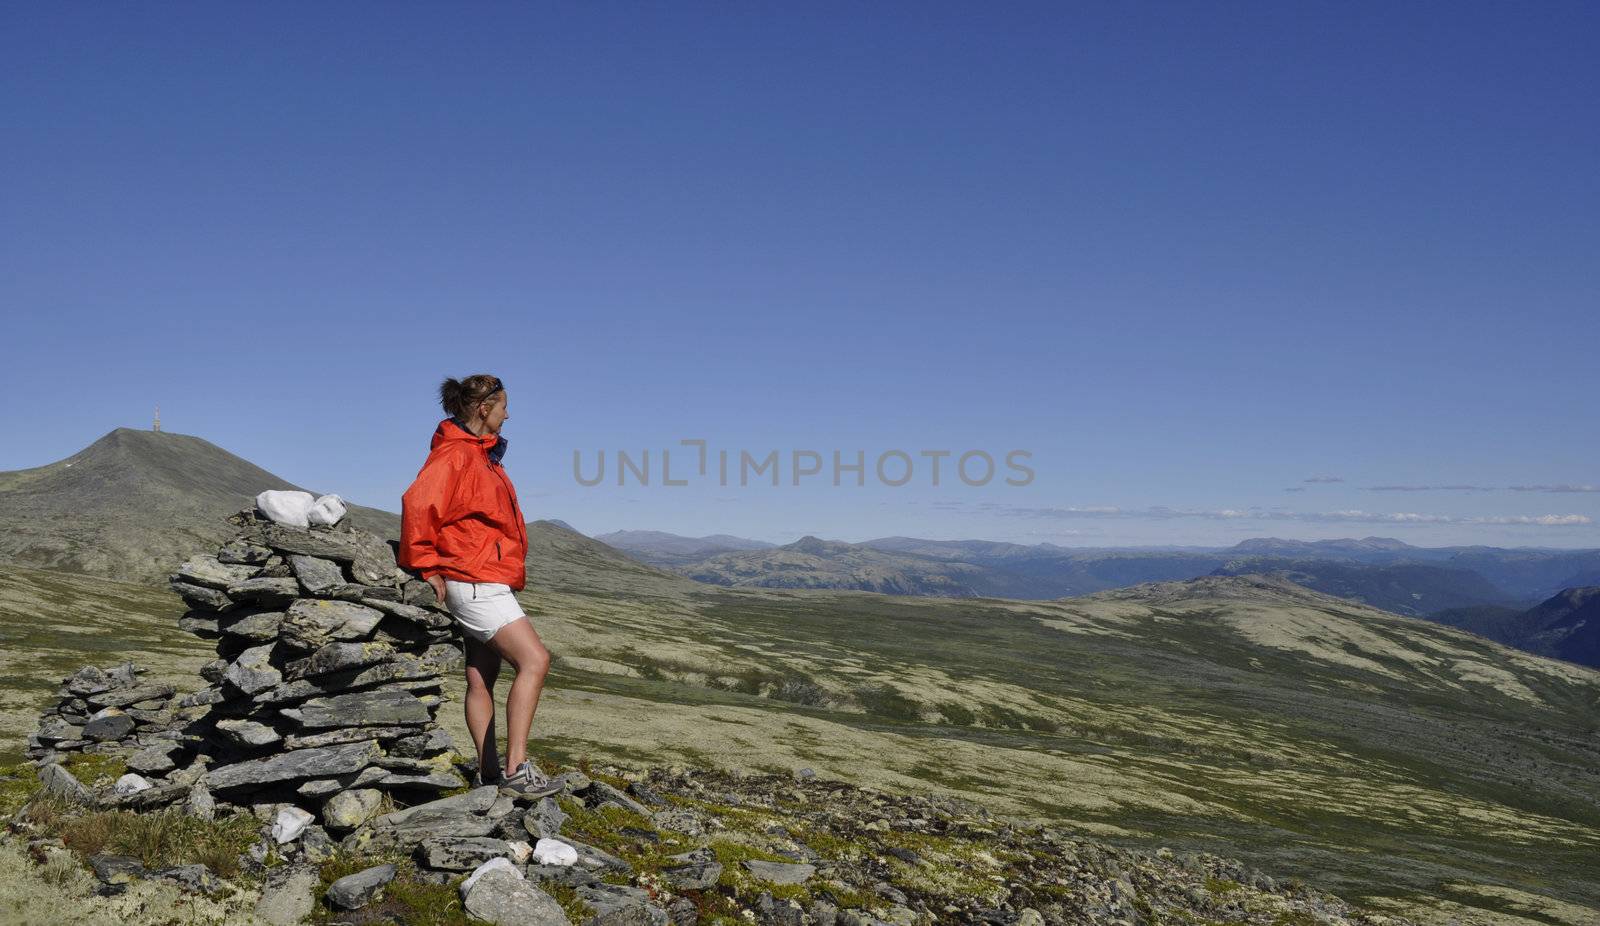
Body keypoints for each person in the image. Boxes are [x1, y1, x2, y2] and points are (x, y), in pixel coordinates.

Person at [399, 373, 560, 799]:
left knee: (481, 677)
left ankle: (489, 772)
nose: (509, 414)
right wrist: (425, 563)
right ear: (484, 409)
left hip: (482, 576)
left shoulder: (480, 455)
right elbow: (418, 503)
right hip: (474, 580)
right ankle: (515, 769)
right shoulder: (456, 455)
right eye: (504, 405)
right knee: (535, 661)